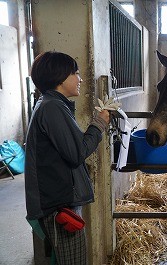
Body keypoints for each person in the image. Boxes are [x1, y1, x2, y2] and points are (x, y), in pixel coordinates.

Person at [25, 51, 110, 265]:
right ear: (61, 77)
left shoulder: (50, 104)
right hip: (58, 206)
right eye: (76, 73)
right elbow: (76, 154)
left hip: (57, 199)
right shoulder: (53, 107)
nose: (80, 79)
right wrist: (99, 124)